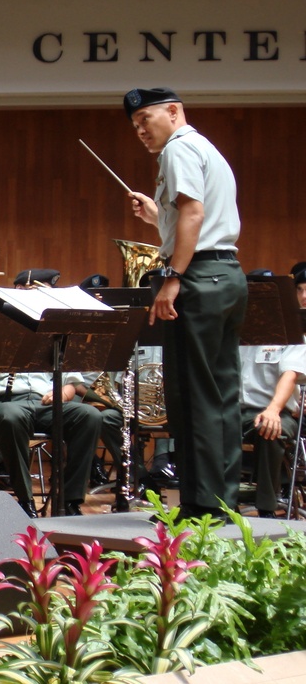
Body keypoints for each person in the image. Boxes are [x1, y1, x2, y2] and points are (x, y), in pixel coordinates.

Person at [125, 86, 247, 520]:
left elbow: (194, 214)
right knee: (219, 395)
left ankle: (200, 508)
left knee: (192, 398)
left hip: (197, 278)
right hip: (226, 274)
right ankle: (223, 502)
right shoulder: (204, 147)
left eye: (146, 120)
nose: (140, 130)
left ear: (174, 111)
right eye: (135, 125)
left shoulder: (176, 150)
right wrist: (158, 219)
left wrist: (172, 278)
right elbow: (199, 218)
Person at [0, 267, 101, 517]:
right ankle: (25, 499)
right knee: (11, 417)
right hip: (1, 403)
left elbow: (72, 382)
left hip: (45, 402)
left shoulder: (55, 327)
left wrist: (63, 393)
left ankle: (71, 500)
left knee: (89, 416)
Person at [239, 337, 306, 518]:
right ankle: (220, 503)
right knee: (206, 428)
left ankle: (266, 507)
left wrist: (273, 409)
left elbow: (290, 375)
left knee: (270, 431)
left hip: (277, 410)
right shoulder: (237, 334)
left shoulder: (291, 336)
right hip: (236, 410)